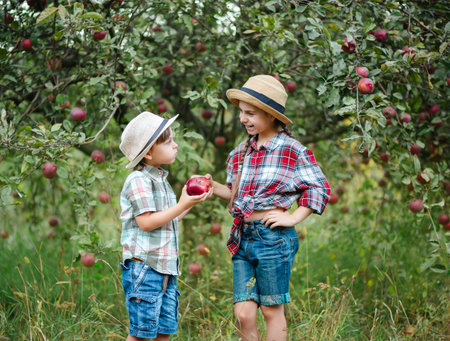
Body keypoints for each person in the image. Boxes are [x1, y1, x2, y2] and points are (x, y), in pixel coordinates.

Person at [206, 75, 330, 341]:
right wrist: (213, 187)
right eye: (241, 112)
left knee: (272, 311)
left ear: (271, 115)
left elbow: (319, 187)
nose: (243, 119)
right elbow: (236, 196)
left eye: (250, 113)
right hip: (242, 236)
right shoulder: (240, 152)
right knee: (243, 314)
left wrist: (294, 217)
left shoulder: (291, 150)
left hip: (273, 238)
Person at [118, 111, 212, 341]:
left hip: (166, 270)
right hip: (145, 269)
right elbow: (147, 222)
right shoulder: (138, 180)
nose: (175, 145)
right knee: (140, 334)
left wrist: (190, 201)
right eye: (168, 141)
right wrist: (182, 204)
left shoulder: (160, 179)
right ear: (148, 153)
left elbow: (168, 219)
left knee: (164, 332)